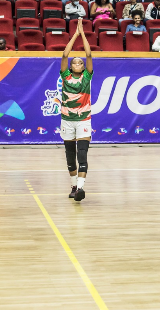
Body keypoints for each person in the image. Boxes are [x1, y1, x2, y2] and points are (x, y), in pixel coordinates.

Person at [60, 23, 94, 202]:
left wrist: (83, 34)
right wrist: (74, 35)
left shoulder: (87, 77)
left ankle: (80, 188)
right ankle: (73, 185)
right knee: (70, 157)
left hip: (83, 120)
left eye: (80, 62)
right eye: (75, 62)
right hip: (67, 120)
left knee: (82, 154)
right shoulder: (65, 76)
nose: (78, 63)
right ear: (71, 66)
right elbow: (65, 54)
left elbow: (89, 54)